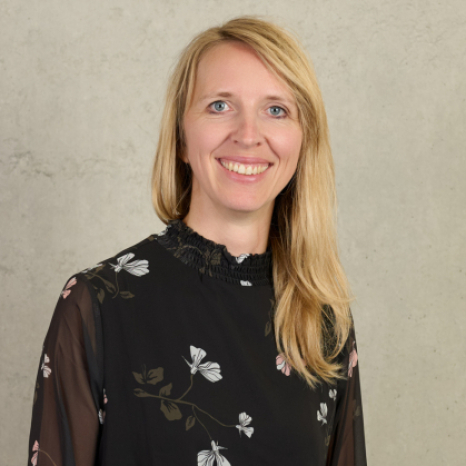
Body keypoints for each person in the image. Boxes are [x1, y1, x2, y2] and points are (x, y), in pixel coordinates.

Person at [27, 16, 366, 466]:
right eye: (220, 106)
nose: (248, 135)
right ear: (181, 138)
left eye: (276, 109)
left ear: (303, 142)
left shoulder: (324, 318)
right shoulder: (99, 306)